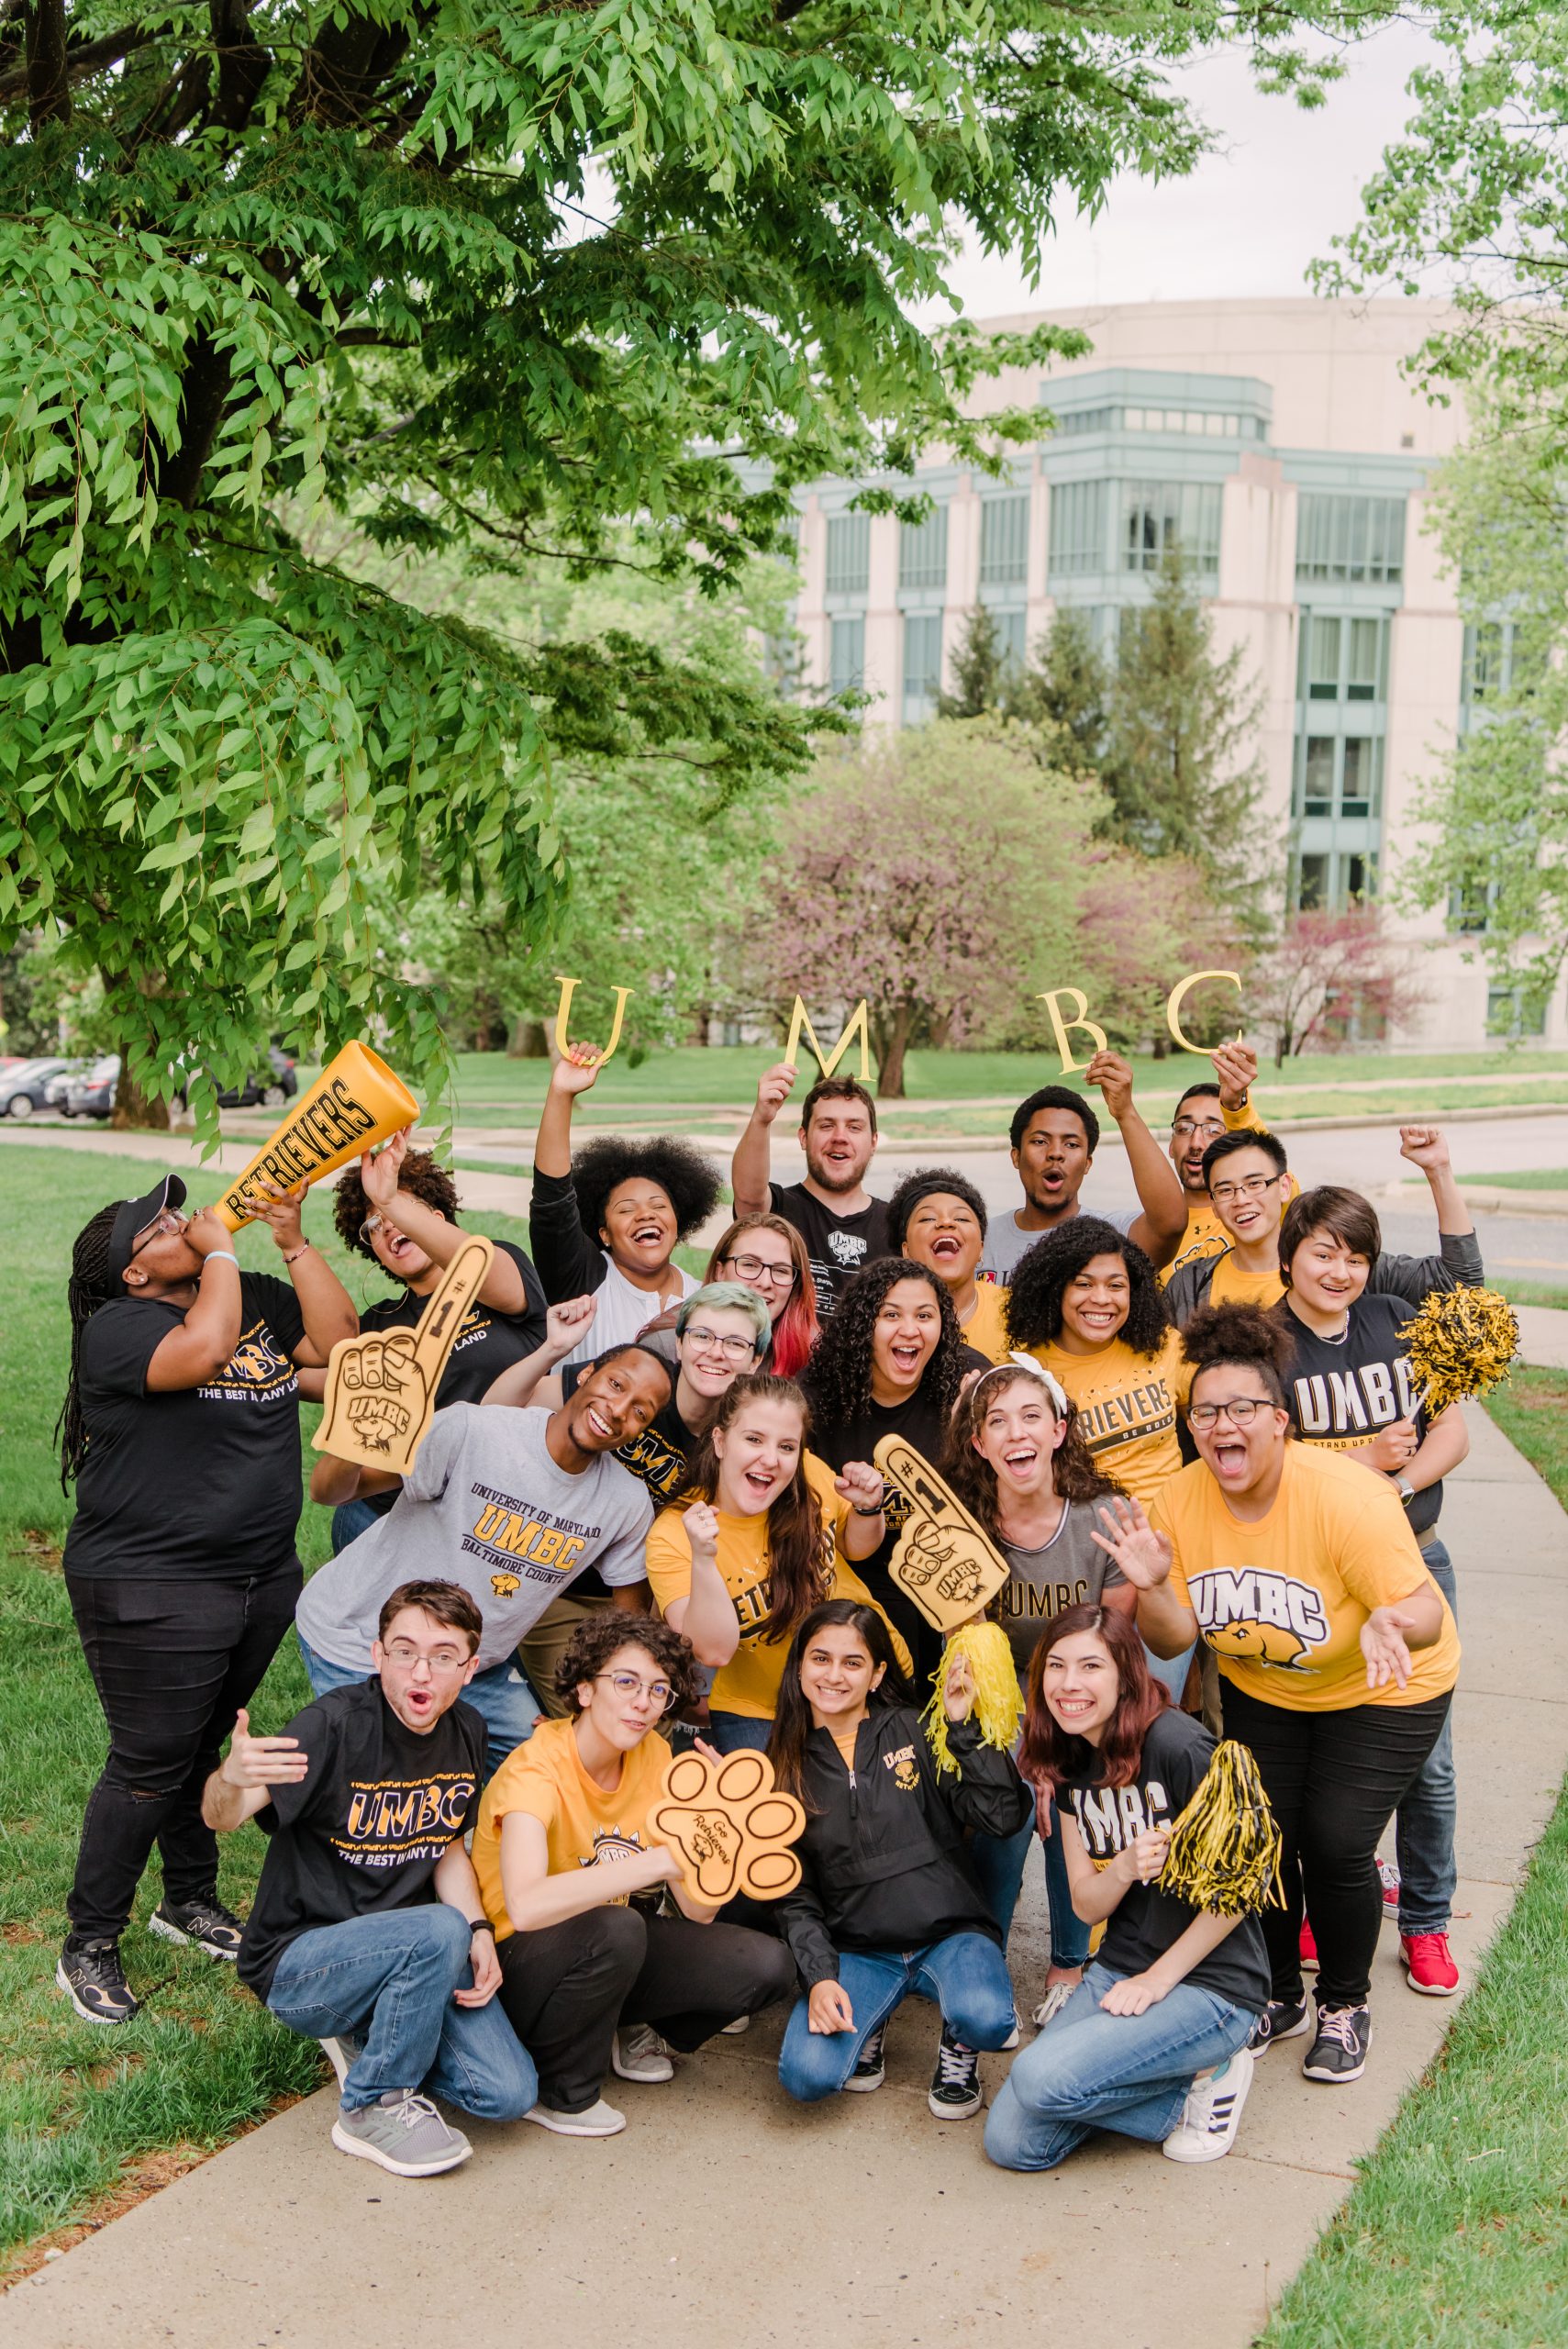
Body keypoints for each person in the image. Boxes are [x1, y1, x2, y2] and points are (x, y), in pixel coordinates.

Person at [1101, 1305, 1460, 2086]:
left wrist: (1391, 1621)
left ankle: (1343, 2000)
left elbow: (1426, 1610)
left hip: (1385, 1686)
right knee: (1265, 1842)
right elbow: (1170, 1639)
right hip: (1268, 1685)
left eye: (1240, 1410)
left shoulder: (1345, 1497)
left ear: (1280, 1423)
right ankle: (1276, 1992)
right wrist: (1155, 1584)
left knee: (1334, 1843)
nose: (1220, 1425)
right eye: (1204, 1412)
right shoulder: (1181, 1501)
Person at [54, 1172, 357, 2028]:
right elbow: (208, 1348)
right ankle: (89, 1942)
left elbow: (341, 1355)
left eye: (176, 1212)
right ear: (133, 1274)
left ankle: (185, 1900)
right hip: (151, 1581)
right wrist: (222, 1243)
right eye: (155, 1227)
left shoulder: (247, 1295)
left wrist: (293, 1243)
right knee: (150, 1764)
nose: (180, 1219)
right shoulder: (120, 1327)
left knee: (198, 1747)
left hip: (258, 1575)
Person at [209, 1580, 537, 2177]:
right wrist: (230, 1777)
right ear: (377, 1656)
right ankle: (370, 2106)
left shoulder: (467, 1731)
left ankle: (380, 2028)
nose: (421, 1671)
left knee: (506, 2092)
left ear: (469, 1669)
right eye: (404, 1650)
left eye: (443, 1656)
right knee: (439, 1930)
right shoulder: (332, 1726)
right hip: (303, 1962)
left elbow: (445, 1848)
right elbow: (222, 1816)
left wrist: (480, 1928)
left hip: (410, 1950)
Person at [472, 1613, 797, 2136]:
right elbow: (527, 1906)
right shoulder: (535, 1769)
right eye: (625, 1682)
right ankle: (563, 2091)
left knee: (767, 1965)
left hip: (605, 1952)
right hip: (516, 1966)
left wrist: (719, 1828)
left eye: (659, 1690)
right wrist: (662, 1859)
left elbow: (697, 1910)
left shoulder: (654, 1756)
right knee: (618, 1927)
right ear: (583, 1690)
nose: (642, 1702)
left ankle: (620, 2026)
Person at [984, 1605, 1270, 2173]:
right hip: (1119, 1968)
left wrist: (1158, 1980)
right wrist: (1121, 1867)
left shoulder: (1179, 1748)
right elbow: (1086, 1905)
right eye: (1056, 1666)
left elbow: (1246, 1883)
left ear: (1125, 1675)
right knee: (1011, 2142)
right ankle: (1180, 2091)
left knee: (1037, 2078)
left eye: (1090, 1666)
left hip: (1211, 1985)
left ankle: (1217, 2068)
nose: (1070, 1684)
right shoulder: (1067, 1760)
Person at [295, 1345, 671, 1776]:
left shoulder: (624, 1501)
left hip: (476, 1668)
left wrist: (595, 1704)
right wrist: (359, 1435)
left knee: (551, 1768)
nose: (619, 1410)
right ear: (585, 1374)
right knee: (385, 1785)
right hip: (360, 1639)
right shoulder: (475, 1430)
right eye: (615, 1384)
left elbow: (626, 1622)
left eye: (641, 1412)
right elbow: (330, 1491)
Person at [1276, 1188, 1471, 1997]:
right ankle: (1329, 1902)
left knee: (1425, 1761)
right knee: (1321, 1758)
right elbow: (1257, 1462)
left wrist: (1393, 1486)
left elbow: (1452, 1428)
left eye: (1354, 1255)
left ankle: (1426, 1921)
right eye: (1323, 1252)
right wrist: (1359, 1461)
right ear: (1289, 1253)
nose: (1340, 1270)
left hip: (1414, 1562)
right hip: (1314, 1575)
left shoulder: (1394, 1318)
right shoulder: (1263, 1345)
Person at [770, 1600, 1030, 2119]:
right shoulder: (781, 1767)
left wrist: (964, 1728)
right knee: (807, 2078)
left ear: (877, 1674)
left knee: (987, 2018)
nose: (834, 1675)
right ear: (799, 1666)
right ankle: (872, 2016)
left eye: (853, 1662)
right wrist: (820, 1977)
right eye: (820, 1659)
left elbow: (1003, 1816)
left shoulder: (918, 1729)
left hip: (950, 1935)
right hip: (861, 1950)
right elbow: (792, 1895)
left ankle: (959, 2048)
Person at [940, 1359, 1135, 2024]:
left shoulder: (1105, 1516)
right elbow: (970, 1653)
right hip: (1001, 1704)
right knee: (1007, 1801)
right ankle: (979, 1953)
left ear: (1057, 1430)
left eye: (1029, 1416)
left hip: (1085, 1697)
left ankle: (1068, 1964)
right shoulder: (961, 1527)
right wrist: (1024, 1758)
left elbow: (1112, 1651)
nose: (1013, 1433)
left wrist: (1054, 1752)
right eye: (994, 1421)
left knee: (1074, 1798)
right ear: (978, 1444)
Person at [485, 1285, 773, 1715]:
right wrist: (552, 1350)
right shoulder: (642, 1383)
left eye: (735, 1344)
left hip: (651, 1595)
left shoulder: (742, 1440)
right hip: (560, 1580)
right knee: (586, 1714)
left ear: (755, 1361)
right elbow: (497, 1412)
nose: (716, 1353)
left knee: (644, 1720)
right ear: (679, 1342)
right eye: (703, 1336)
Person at [310, 1130, 548, 1550]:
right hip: (396, 1508)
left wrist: (388, 1200)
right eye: (373, 1229)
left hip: (510, 1500)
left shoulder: (494, 1263)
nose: (388, 1229)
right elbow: (328, 1382)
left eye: (403, 1214)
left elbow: (476, 1267)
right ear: (374, 1254)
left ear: (436, 1219)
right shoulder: (380, 1324)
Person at [644, 1373, 907, 1753]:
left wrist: (868, 1507)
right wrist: (704, 1559)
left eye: (787, 1447)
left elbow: (857, 1548)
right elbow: (713, 1651)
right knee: (779, 1812)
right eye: (753, 1439)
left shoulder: (811, 1474)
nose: (770, 1460)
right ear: (720, 1441)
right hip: (762, 1711)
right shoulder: (674, 1533)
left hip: (866, 1675)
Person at [803, 1257, 990, 1683]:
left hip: (953, 1588)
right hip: (854, 1596)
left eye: (925, 1316)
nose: (910, 1329)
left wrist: (971, 1437)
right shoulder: (817, 1395)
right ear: (862, 1325)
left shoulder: (968, 1380)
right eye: (890, 1315)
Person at [1163, 1124, 1485, 1329]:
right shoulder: (1190, 1287)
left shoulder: (1340, 1268)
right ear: (1214, 1203)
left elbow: (1459, 1284)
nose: (1241, 1199)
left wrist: (1439, 1171)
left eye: (1255, 1183)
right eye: (1226, 1190)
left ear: (1285, 1186)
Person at [528, 1041, 722, 1364]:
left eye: (659, 1206)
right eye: (627, 1209)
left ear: (678, 1221)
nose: (646, 1214)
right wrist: (561, 1094)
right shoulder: (582, 1280)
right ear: (604, 1234)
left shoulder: (703, 1298)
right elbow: (553, 1202)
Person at [1003, 1218, 1186, 1512]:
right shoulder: (1027, 1373)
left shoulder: (1165, 1346)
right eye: (1084, 1284)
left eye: (1116, 1285)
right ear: (1056, 1290)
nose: (1101, 1299)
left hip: (1172, 1534)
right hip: (1086, 1545)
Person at [977, 1053, 1187, 1284]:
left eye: (1072, 1144)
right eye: (1040, 1141)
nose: (1056, 1153)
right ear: (1016, 1156)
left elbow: (1170, 1224)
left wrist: (1125, 1113)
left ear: (1087, 1163)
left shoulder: (1111, 1235)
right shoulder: (980, 1240)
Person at [730, 1065, 890, 1317]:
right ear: (803, 1137)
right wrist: (762, 1119)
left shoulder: (895, 1223)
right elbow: (748, 1196)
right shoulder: (780, 1210)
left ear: (873, 1143)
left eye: (854, 1127)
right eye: (826, 1126)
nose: (840, 1137)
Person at [1162, 1041, 1291, 1278]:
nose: (1196, 1143)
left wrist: (1235, 1107)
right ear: (1170, 1144)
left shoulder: (1260, 1207)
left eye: (1213, 1129)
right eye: (1184, 1128)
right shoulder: (1156, 1227)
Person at [638, 1211, 820, 1378]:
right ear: (720, 1272)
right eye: (749, 1265)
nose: (765, 1282)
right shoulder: (666, 1346)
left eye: (781, 1270)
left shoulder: (810, 1354)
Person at [886, 1166, 1010, 1363]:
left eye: (961, 1218)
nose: (945, 1222)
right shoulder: (880, 1315)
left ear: (980, 1249)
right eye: (927, 1218)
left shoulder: (1016, 1312)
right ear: (906, 1251)